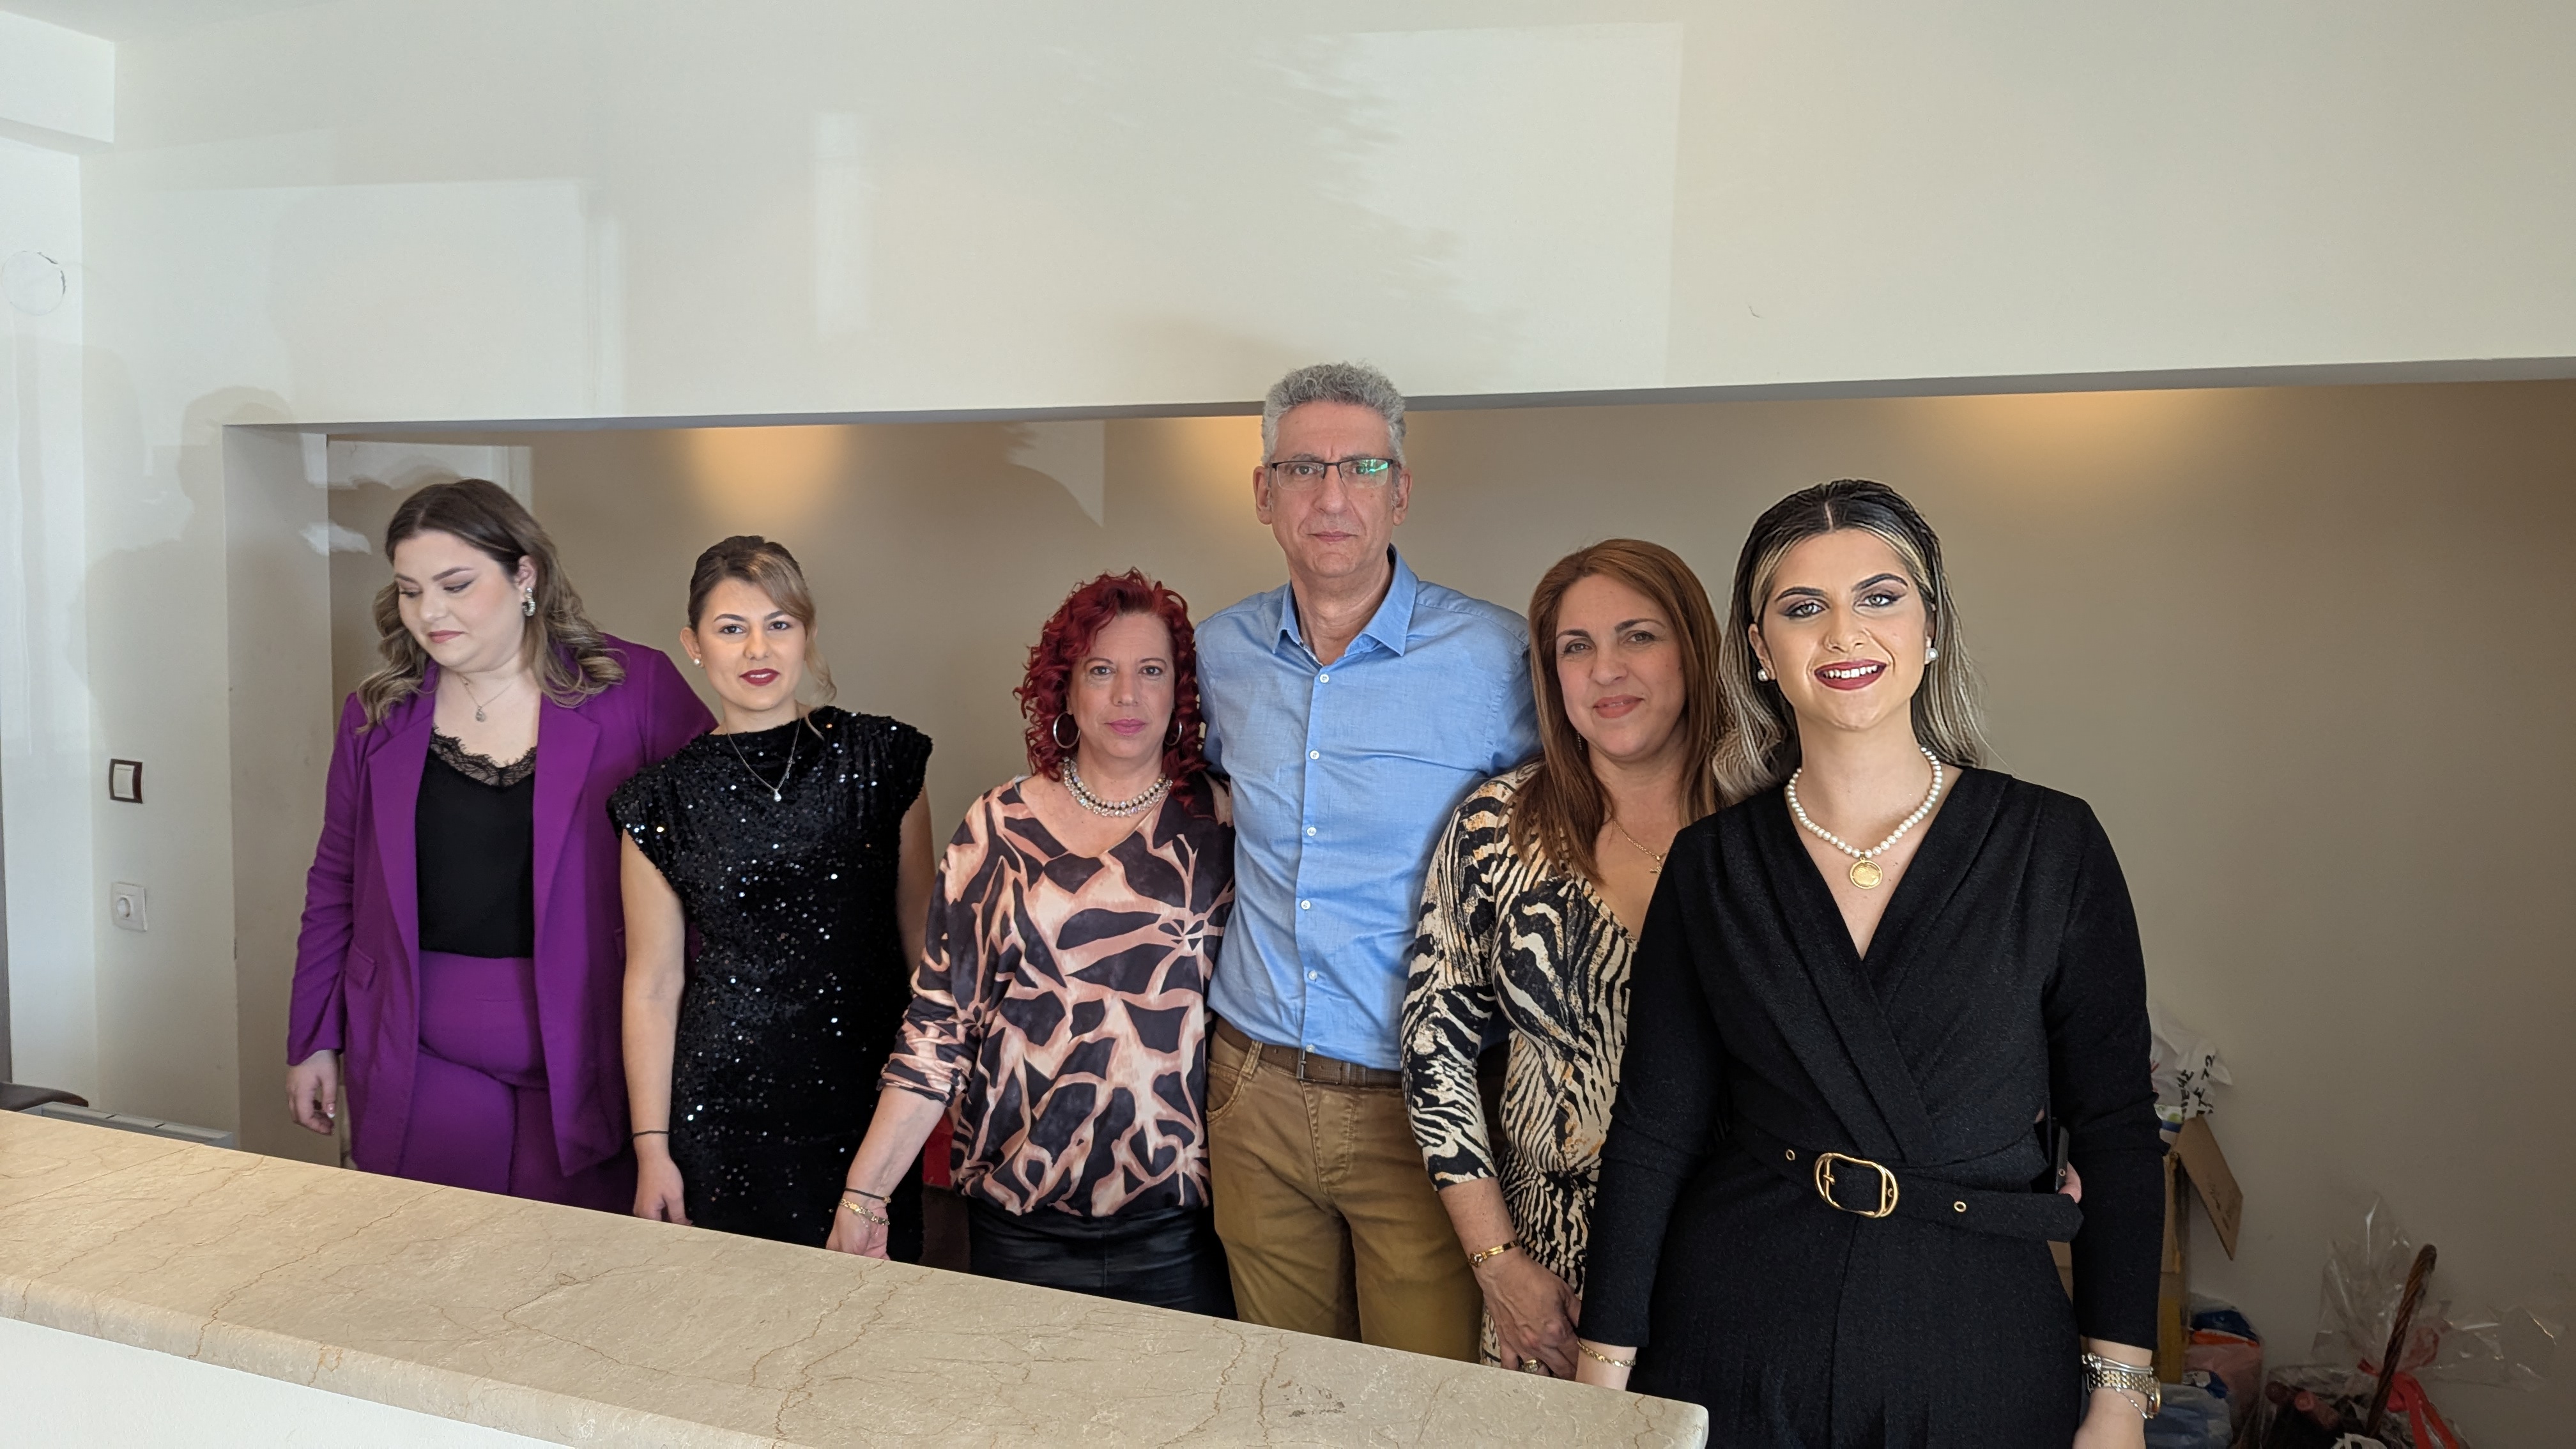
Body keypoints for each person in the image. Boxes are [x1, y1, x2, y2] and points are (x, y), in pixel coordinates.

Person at [1575, 481, 2162, 1447]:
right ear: (1760, 650)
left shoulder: (2052, 845)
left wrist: (2119, 1398)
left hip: (1980, 1339)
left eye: (1880, 598)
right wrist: (1602, 1384)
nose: (1844, 633)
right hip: (1740, 1328)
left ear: (1931, 628)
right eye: (1803, 607)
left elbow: (2118, 1132)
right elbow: (1652, 1134)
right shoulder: (1712, 865)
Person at [1195, 362, 1540, 1360]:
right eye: (1303, 469)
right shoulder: (1217, 655)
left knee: (1423, 1397)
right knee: (1279, 1386)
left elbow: (1558, 847)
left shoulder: (1493, 658)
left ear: (1402, 490)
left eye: (1362, 468)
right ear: (1264, 493)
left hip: (1422, 1106)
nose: (1332, 495)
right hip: (1251, 1086)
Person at [286, 479, 712, 1208]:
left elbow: (711, 864)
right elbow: (335, 882)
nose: (430, 613)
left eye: (456, 585)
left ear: (525, 576)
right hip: (419, 1046)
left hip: (594, 1046)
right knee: (437, 1254)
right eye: (411, 591)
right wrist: (314, 1036)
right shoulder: (377, 713)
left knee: (575, 1262)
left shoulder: (635, 689)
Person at [831, 571, 1236, 1314]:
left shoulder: (1223, 826)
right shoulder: (997, 828)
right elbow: (938, 1029)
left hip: (1181, 1229)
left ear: (1180, 693)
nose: (1127, 696)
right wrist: (866, 1194)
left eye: (1151, 671)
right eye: (1101, 671)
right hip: (1019, 1221)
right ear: (1065, 691)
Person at [1400, 539, 1726, 1377]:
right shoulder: (1496, 826)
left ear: (1694, 647)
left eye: (1638, 636)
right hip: (1550, 1278)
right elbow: (1435, 1051)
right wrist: (1499, 1265)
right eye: (1575, 647)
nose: (1605, 670)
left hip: (1735, 1260)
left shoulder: (1776, 825)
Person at [611, 537, 936, 1253]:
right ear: (694, 645)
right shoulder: (659, 800)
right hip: (724, 1112)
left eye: (779, 623)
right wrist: (652, 1148)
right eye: (732, 628)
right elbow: (653, 985)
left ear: (806, 633)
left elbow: (922, 939)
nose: (757, 648)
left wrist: (935, 1091)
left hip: (869, 1104)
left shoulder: (884, 759)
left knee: (875, 1308)